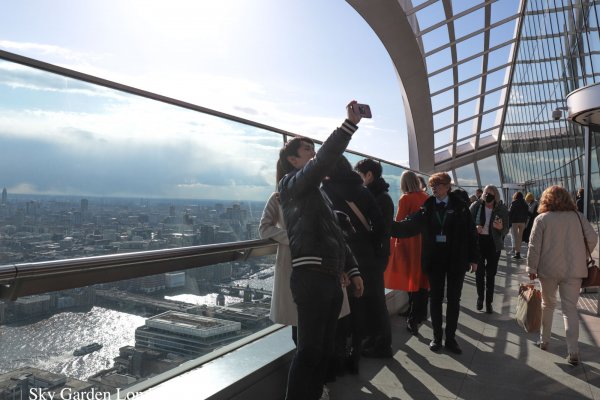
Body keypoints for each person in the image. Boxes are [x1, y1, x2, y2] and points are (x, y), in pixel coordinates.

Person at [278, 101, 364, 400]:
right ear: (293, 160)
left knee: (323, 350)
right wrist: (348, 126)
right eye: (307, 151)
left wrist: (352, 269)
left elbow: (336, 236)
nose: (314, 155)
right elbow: (322, 163)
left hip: (328, 277)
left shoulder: (317, 195)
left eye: (314, 150)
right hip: (312, 277)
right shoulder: (291, 185)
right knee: (310, 350)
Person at [259, 170, 351, 346]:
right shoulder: (278, 198)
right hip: (298, 262)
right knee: (301, 321)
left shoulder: (320, 196)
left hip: (321, 262)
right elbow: (264, 228)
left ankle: (316, 360)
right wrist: (295, 237)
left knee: (318, 321)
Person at [390, 172, 478, 355]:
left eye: (437, 185)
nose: (434, 188)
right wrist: (386, 224)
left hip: (456, 260)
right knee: (436, 299)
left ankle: (451, 339)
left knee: (453, 300)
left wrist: (474, 258)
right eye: (432, 185)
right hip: (434, 260)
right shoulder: (428, 206)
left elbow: (471, 233)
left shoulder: (461, 206)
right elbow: (409, 225)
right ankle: (437, 338)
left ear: (447, 186)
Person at [322, 155, 386, 373]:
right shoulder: (362, 190)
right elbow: (380, 225)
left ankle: (337, 358)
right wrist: (369, 244)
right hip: (365, 256)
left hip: (340, 256)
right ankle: (355, 355)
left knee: (340, 309)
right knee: (360, 305)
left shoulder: (325, 191)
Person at [526, 185, 597, 366]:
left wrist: (531, 268)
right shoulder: (578, 217)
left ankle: (544, 341)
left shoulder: (542, 219)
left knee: (547, 305)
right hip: (574, 270)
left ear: (546, 199)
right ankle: (573, 351)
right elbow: (592, 238)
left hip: (548, 270)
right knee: (570, 309)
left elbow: (534, 246)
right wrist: (581, 253)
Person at [354, 158, 394, 358]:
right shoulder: (380, 196)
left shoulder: (378, 198)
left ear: (368, 175)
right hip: (375, 254)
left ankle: (383, 345)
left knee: (376, 301)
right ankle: (373, 339)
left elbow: (379, 229)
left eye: (359, 175)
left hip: (374, 256)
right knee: (372, 299)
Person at [385, 170, 429, 335]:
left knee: (412, 278)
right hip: (423, 242)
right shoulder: (425, 196)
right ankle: (419, 312)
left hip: (409, 244)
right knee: (421, 278)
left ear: (403, 184)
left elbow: (398, 223)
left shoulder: (405, 199)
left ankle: (413, 316)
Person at [469, 185, 509, 314]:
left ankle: (489, 302)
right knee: (479, 272)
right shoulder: (476, 206)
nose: (488, 196)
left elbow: (506, 229)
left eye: (491, 193)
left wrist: (500, 228)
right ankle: (480, 298)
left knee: (491, 274)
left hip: (493, 243)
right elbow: (467, 223)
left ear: (496, 195)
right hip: (479, 242)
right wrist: (475, 227)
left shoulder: (501, 209)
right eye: (486, 193)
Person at [508, 191, 529, 259]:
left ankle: (517, 253)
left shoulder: (514, 203)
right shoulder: (525, 204)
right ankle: (518, 253)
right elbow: (527, 213)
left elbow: (510, 212)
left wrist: (510, 221)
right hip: (522, 222)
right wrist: (525, 221)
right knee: (520, 238)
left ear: (515, 196)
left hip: (515, 222)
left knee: (516, 237)